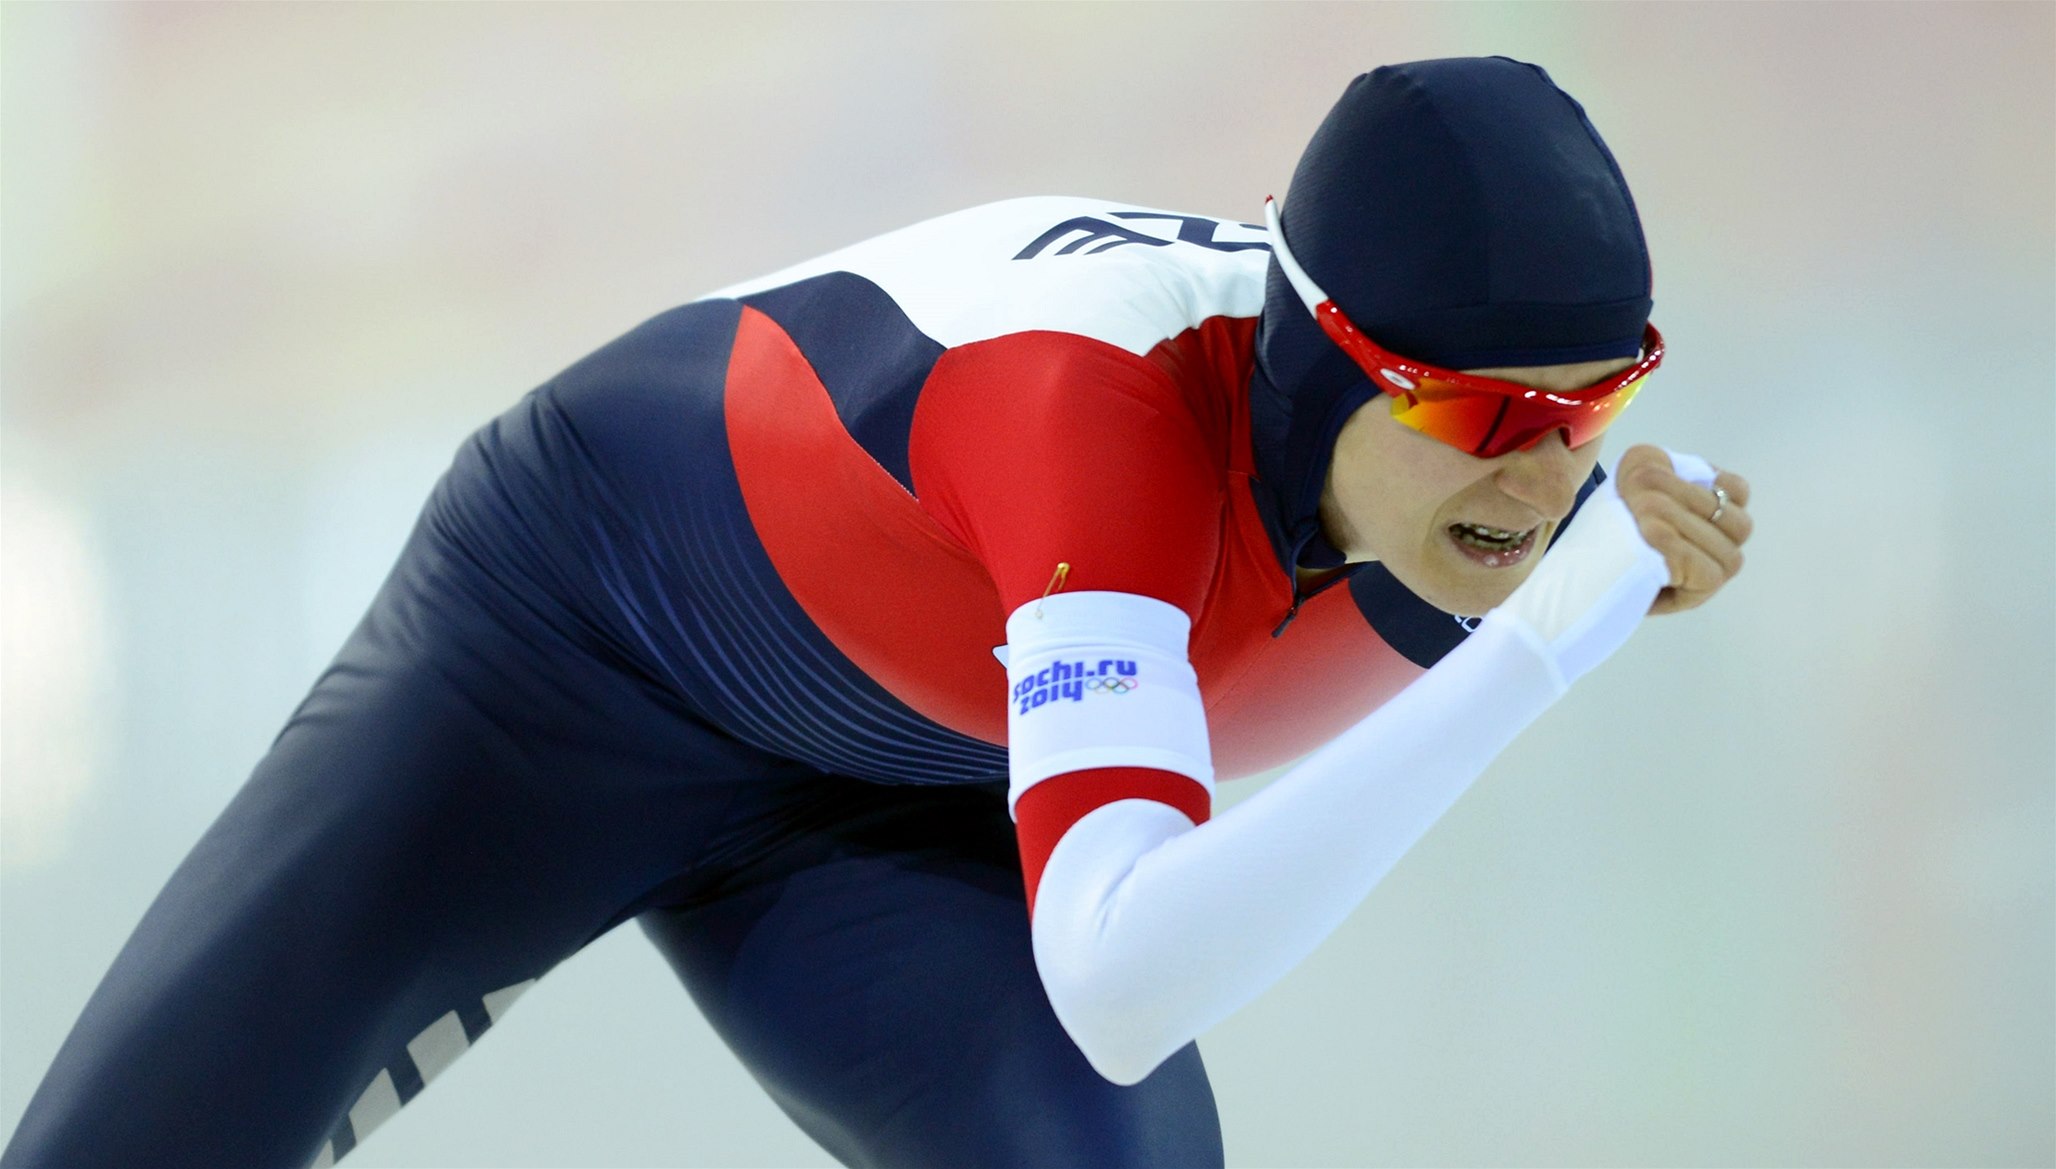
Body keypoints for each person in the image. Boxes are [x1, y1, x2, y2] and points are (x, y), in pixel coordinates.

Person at [3, 56, 1752, 1169]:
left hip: (903, 795)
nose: (1547, 477)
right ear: (1322, 361)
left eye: (1595, 403)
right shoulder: (1094, 415)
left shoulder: (1488, 493)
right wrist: (1539, 650)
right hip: (563, 658)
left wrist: (1558, 563)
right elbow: (1126, 972)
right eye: (1483, 414)